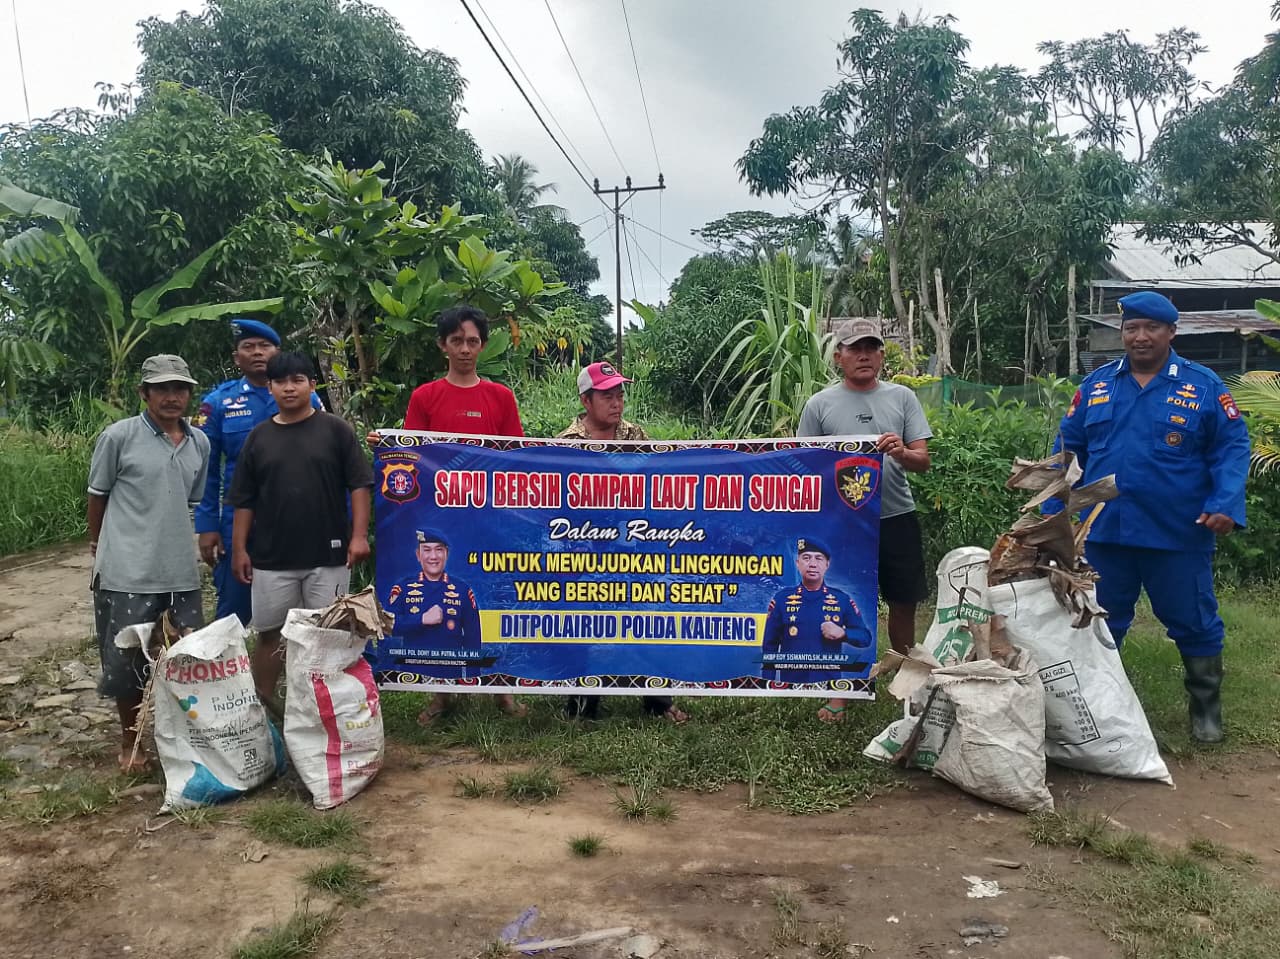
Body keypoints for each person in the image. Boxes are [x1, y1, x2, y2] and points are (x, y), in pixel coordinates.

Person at [1047, 291, 1249, 744]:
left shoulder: (1203, 386)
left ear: (1171, 332)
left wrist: (1225, 503)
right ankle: (1101, 711)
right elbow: (1066, 450)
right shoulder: (1096, 386)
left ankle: (1205, 709)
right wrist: (1050, 512)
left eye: (1151, 328)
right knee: (1099, 622)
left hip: (1176, 531)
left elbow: (1232, 448)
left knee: (1193, 619)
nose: (1140, 337)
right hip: (1105, 531)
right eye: (1131, 328)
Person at [372, 305, 526, 723]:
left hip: (490, 518)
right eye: (456, 340)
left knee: (491, 600)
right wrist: (386, 445)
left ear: (483, 344)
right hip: (438, 521)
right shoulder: (425, 396)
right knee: (439, 603)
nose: (464, 348)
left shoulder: (500, 397)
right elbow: (412, 456)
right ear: (443, 345)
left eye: (472, 341)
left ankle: (502, 690)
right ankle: (439, 695)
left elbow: (517, 459)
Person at [797, 317, 933, 723]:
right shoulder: (820, 404)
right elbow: (803, 466)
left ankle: (906, 686)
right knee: (838, 605)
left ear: (881, 355)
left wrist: (900, 453)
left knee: (903, 600)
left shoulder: (903, 398)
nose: (864, 356)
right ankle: (842, 690)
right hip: (842, 524)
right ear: (838, 356)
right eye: (854, 349)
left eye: (871, 348)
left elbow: (922, 460)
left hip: (895, 515)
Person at [228, 352, 373, 711]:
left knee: (328, 634)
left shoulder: (336, 430)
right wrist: (239, 548)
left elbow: (359, 486)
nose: (289, 388)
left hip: (329, 554)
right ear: (270, 387)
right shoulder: (259, 438)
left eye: (297, 380)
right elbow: (244, 500)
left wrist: (358, 536)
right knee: (269, 634)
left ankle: (325, 708)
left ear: (312, 384)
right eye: (280, 382)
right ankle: (262, 707)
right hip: (272, 557)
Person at [87, 354, 211, 773]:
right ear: (144, 394)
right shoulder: (118, 437)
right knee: (127, 664)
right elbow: (97, 496)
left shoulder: (200, 443)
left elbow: (189, 501)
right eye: (162, 389)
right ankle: (132, 746)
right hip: (127, 572)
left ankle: (185, 743)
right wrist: (98, 544)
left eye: (180, 389)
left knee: (186, 660)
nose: (173, 397)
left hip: (179, 572)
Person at [557, 361, 688, 723]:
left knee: (646, 621)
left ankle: (657, 702)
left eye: (620, 395)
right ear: (586, 400)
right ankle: (583, 705)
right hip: (584, 554)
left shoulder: (636, 436)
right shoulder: (568, 444)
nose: (616, 403)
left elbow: (655, 486)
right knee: (585, 626)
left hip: (634, 551)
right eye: (607, 396)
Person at [194, 319, 321, 625]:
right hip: (241, 521)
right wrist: (207, 525)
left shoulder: (306, 397)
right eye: (248, 347)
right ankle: (229, 669)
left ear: (277, 351)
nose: (257, 353)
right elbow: (205, 471)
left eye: (264, 346)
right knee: (233, 607)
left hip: (299, 518)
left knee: (303, 610)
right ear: (237, 357)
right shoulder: (218, 404)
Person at [762, 537, 873, 684]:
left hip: (829, 685)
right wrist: (766, 685)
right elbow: (769, 647)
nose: (813, 564)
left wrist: (844, 633)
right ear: (797, 564)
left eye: (819, 558)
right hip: (791, 686)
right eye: (806, 558)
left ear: (827, 564)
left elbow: (865, 638)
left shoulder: (842, 600)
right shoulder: (782, 599)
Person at [385, 529, 483, 672]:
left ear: (446, 554)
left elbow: (473, 639)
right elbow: (387, 626)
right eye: (427, 550)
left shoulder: (462, 590)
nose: (433, 556)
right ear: (418, 555)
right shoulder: (403, 588)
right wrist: (421, 619)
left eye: (439, 550)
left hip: (449, 677)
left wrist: (472, 680)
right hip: (412, 676)